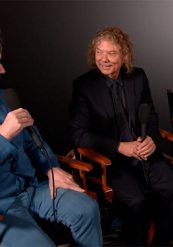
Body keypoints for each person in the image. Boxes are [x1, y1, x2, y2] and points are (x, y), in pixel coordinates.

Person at [69, 26, 173, 246]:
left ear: (124, 55)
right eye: (99, 53)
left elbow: (150, 115)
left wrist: (150, 140)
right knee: (136, 201)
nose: (104, 59)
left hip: (144, 153)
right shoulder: (84, 86)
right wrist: (120, 147)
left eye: (111, 53)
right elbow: (79, 135)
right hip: (111, 161)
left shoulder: (138, 77)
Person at [0, 32, 102, 246]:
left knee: (85, 209)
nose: (2, 70)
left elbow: (33, 140)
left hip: (32, 188)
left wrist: (50, 168)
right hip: (3, 205)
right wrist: (3, 136)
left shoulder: (4, 98)